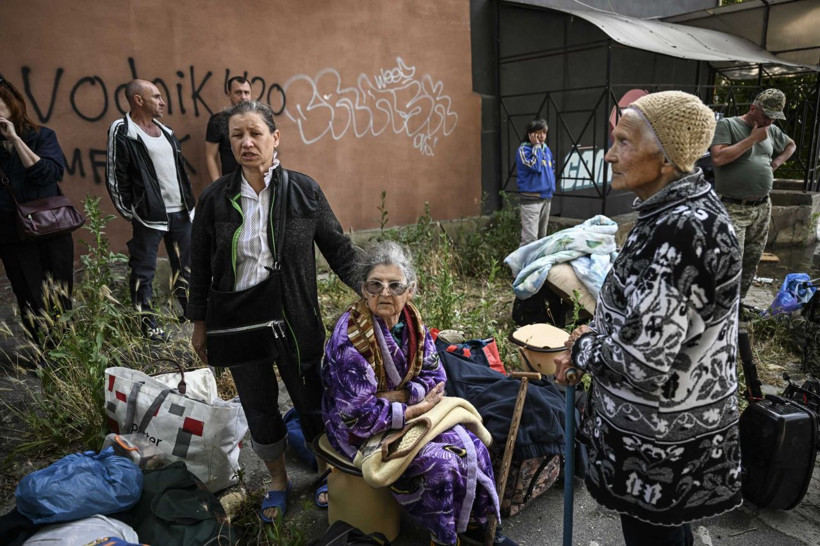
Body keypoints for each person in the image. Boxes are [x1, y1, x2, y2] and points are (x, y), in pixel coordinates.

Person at [555, 91, 743, 546]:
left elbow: (642, 361)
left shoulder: (681, 230)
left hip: (659, 447)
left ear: (665, 158)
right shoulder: (675, 215)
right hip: (666, 434)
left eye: (623, 142)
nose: (610, 153)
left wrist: (581, 346)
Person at [188, 100, 359, 522]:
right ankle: (278, 482)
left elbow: (339, 250)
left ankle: (324, 472)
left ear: (275, 138)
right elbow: (199, 266)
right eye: (237, 136)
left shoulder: (304, 191)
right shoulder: (214, 200)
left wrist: (375, 288)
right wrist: (200, 324)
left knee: (311, 397)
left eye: (255, 134)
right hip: (239, 321)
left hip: (295, 318)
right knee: (258, 404)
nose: (246, 143)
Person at [321, 241, 516, 546]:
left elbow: (436, 377)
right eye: (376, 284)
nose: (385, 292)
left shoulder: (413, 321)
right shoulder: (350, 339)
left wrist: (402, 396)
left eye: (395, 285)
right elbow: (358, 414)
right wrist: (414, 407)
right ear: (363, 289)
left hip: (410, 411)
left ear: (409, 291)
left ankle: (480, 527)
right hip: (358, 428)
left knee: (474, 446)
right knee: (440, 463)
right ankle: (443, 536)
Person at [105, 79, 195, 341]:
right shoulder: (122, 130)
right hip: (149, 215)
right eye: (156, 96)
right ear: (138, 100)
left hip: (181, 212)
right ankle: (148, 321)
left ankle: (189, 310)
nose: (162, 101)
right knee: (144, 271)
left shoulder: (166, 131)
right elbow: (115, 175)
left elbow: (179, 172)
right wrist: (132, 213)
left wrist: (189, 206)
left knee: (185, 266)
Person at [0, 75, 74, 342]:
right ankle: (43, 350)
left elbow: (49, 174)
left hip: (52, 228)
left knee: (60, 292)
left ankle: (65, 350)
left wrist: (16, 140)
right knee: (28, 294)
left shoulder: (42, 136)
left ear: (12, 104)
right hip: (12, 234)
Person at [710, 88, 796, 300]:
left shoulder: (771, 130)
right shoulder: (728, 125)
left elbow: (791, 145)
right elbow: (718, 158)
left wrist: (777, 161)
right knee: (731, 261)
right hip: (732, 206)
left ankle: (738, 307)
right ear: (753, 109)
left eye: (774, 118)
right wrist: (753, 139)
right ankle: (722, 308)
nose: (769, 122)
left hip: (762, 207)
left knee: (751, 260)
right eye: (766, 116)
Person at [515, 119, 555, 247]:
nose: (542, 136)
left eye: (544, 132)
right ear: (531, 135)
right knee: (530, 240)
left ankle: (537, 266)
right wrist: (536, 146)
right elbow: (535, 167)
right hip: (531, 200)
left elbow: (551, 167)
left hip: (546, 199)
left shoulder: (546, 149)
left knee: (542, 239)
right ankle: (522, 266)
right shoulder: (524, 151)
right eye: (538, 133)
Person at [205, 76, 252, 181]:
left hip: (258, 181)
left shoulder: (260, 119)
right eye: (238, 92)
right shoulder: (217, 120)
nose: (243, 97)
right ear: (229, 93)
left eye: (246, 92)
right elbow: (211, 157)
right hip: (232, 183)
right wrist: (217, 186)